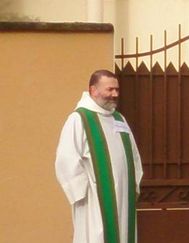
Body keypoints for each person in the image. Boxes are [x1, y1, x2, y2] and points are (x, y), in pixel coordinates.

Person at [55, 70, 143, 243]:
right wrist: (83, 192)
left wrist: (133, 185)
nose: (115, 94)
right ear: (93, 90)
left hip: (123, 197)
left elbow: (134, 156)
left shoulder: (119, 119)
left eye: (117, 90)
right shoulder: (80, 119)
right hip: (95, 198)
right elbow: (66, 158)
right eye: (109, 89)